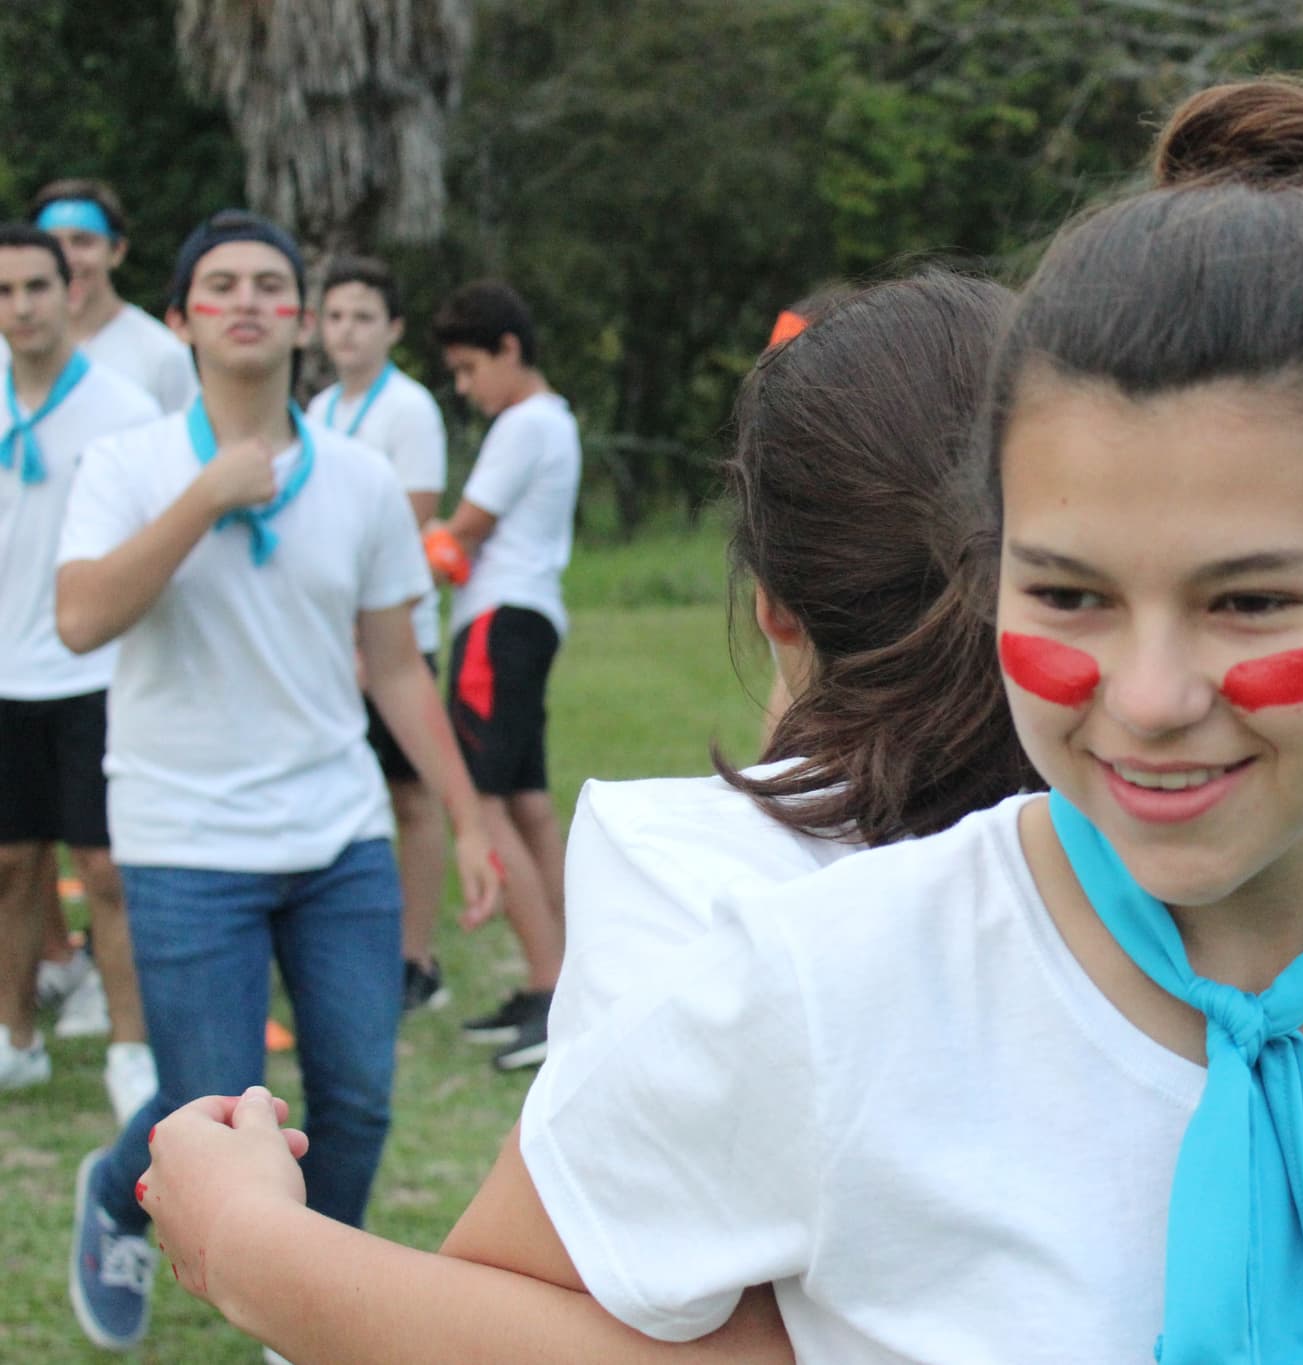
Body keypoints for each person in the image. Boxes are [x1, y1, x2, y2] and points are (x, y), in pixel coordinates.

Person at [151, 79, 1303, 1363]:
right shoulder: (827, 983)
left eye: (1250, 603)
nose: (1148, 701)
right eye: (1071, 593)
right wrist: (248, 1247)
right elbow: (508, 1308)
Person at [140, 270, 1032, 1363]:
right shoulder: (1206, 868)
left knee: (513, 797)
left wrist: (243, 1240)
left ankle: (534, 972)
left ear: (771, 601)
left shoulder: (728, 907)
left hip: (502, 624)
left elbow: (514, 1313)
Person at [53, 209, 499, 1354]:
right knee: (206, 1112)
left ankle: (302, 1305)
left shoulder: (356, 477)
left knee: (353, 1097)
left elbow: (396, 666)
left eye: (269, 284)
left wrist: (464, 813)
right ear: (180, 318)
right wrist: (205, 497)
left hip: (337, 834)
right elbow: (81, 616)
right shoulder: (130, 464)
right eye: (220, 285)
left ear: (300, 318)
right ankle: (116, 1198)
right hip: (184, 838)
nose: (247, 300)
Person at [22, 179, 198, 1043]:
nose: (71, 258)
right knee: (20, 849)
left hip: (106, 642)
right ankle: (48, 976)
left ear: (111, 253)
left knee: (105, 852)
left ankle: (118, 1003)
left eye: (84, 242)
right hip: (20, 644)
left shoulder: (148, 363)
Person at [0, 224, 161, 1121]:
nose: (20, 306)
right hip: (4, 676)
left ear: (71, 291)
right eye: (4, 290)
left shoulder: (123, 409)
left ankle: (130, 1046)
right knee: (11, 862)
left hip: (95, 673)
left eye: (35, 286)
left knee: (105, 869)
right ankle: (14, 1037)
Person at [428, 281, 581, 1071]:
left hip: (497, 623)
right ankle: (561, 983)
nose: (464, 388)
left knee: (482, 802)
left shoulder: (522, 425)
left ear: (509, 351)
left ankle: (554, 988)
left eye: (466, 369)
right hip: (529, 617)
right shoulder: (554, 422)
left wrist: (404, 548)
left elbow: (463, 533)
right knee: (524, 803)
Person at [311, 255, 453, 1014]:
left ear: (393, 327)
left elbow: (413, 522)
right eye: (334, 316)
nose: (347, 331)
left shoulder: (410, 408)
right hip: (328, 638)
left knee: (410, 797)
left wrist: (375, 644)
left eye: (363, 317)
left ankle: (415, 957)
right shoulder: (319, 409)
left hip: (393, 634)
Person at [29, 179, 198, 414]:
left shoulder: (162, 355)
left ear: (117, 251)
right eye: (52, 243)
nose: (67, 258)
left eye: (82, 241)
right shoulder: (11, 347)